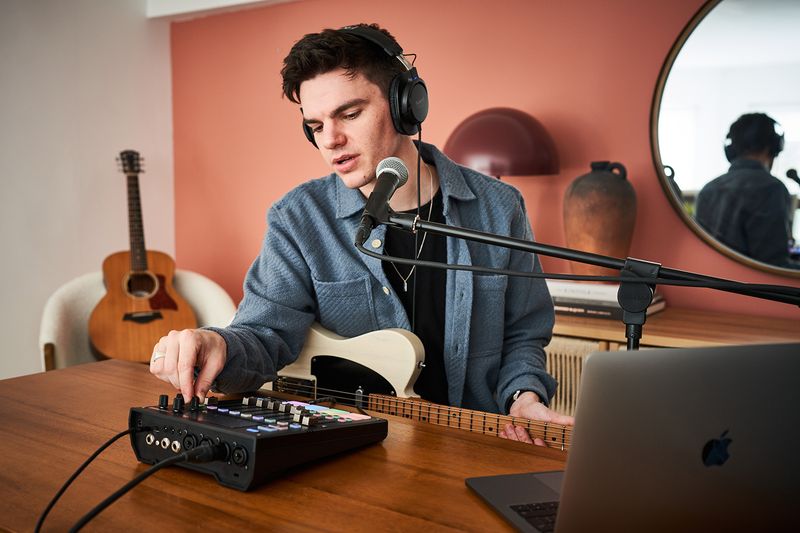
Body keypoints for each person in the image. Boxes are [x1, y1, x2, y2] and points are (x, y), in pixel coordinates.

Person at [149, 23, 573, 445]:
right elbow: (264, 336)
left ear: (406, 106)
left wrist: (523, 397)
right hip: (360, 455)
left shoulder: (499, 208)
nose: (331, 140)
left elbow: (523, 332)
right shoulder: (298, 219)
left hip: (475, 446)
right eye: (315, 126)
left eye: (349, 114)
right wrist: (216, 344)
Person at [695, 112, 798, 268]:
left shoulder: (708, 189)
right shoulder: (771, 187)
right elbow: (772, 266)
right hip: (751, 289)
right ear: (772, 147)